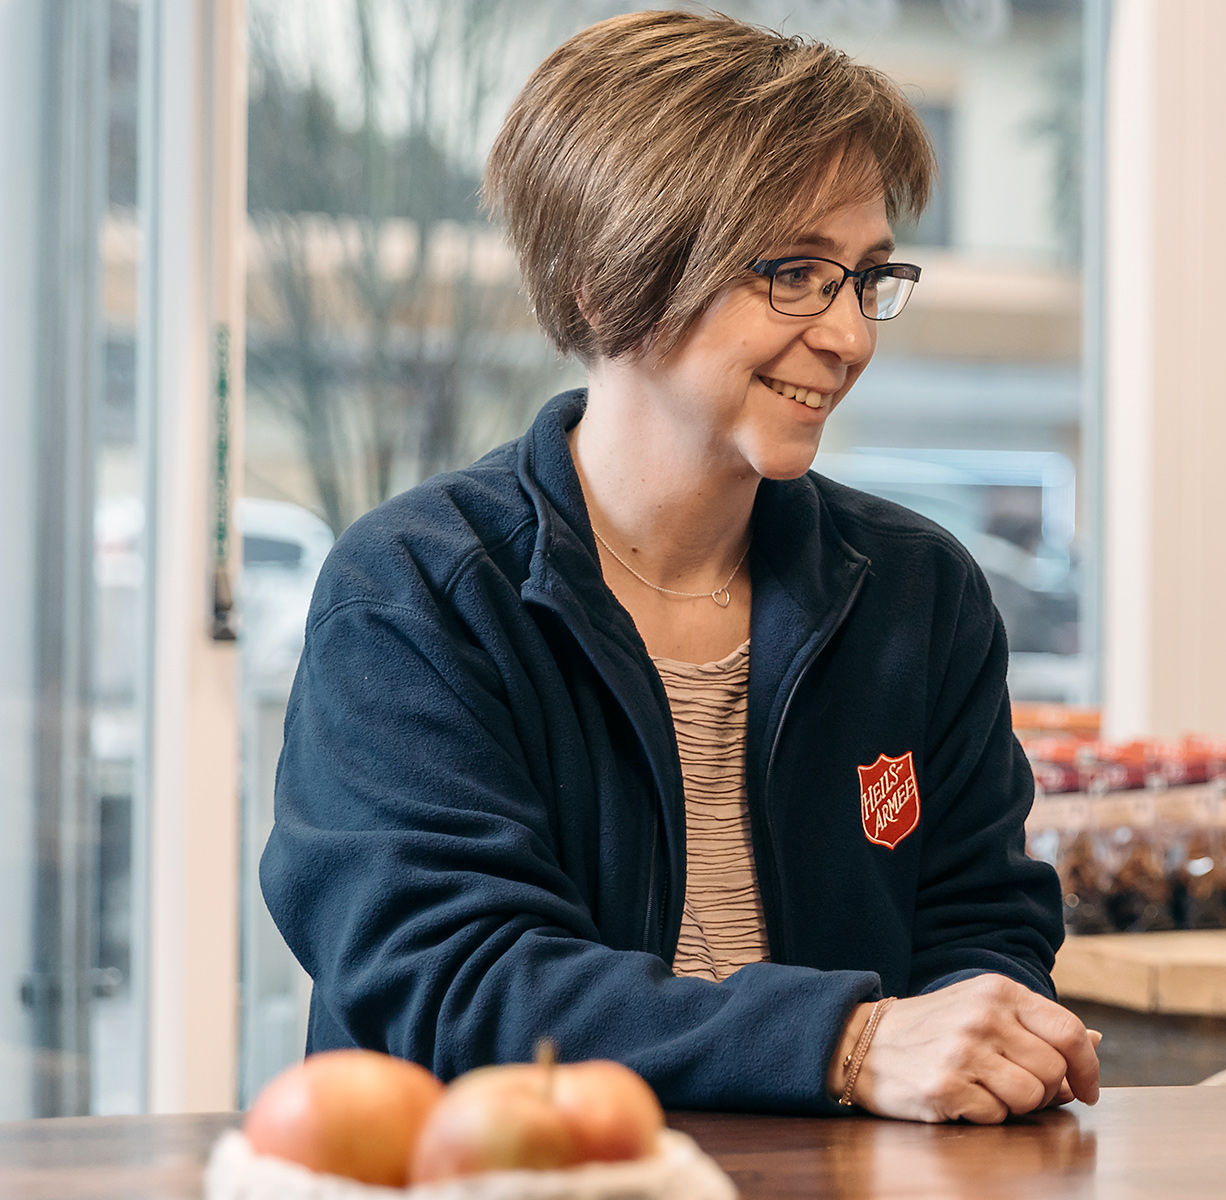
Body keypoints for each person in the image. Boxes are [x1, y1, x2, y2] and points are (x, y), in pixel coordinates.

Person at [260, 11, 1099, 1123]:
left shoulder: (919, 594)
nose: (850, 335)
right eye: (795, 273)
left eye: (866, 277)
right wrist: (845, 1043)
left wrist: (985, 1038)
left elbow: (982, 930)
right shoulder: (416, 591)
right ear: (608, 282)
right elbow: (449, 980)